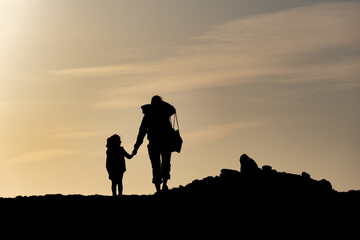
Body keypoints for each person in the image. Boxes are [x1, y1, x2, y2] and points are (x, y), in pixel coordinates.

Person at [132, 95, 176, 193]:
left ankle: (158, 188)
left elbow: (141, 132)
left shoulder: (148, 115)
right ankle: (164, 184)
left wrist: (136, 147)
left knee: (155, 166)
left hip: (154, 144)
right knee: (165, 164)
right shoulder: (165, 112)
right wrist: (163, 103)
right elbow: (173, 109)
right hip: (165, 142)